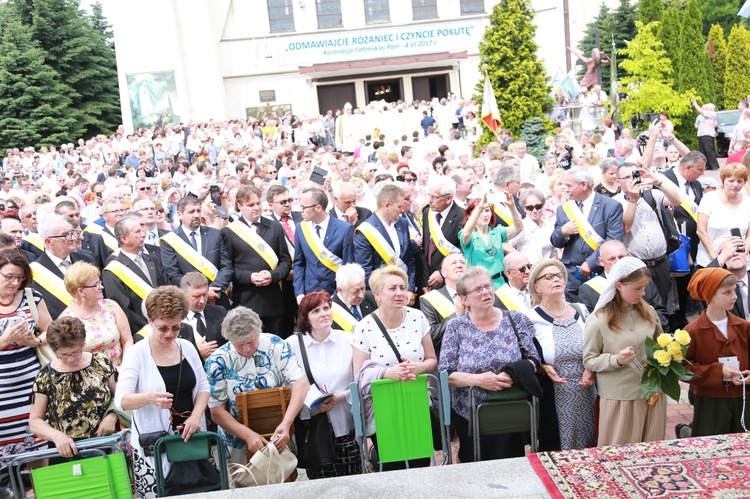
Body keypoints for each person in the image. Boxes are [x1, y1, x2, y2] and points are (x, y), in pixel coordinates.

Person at [114, 286, 210, 497]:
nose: (170, 334)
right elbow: (121, 400)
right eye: (163, 328)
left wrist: (196, 417)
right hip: (155, 447)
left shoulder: (187, 346)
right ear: (150, 320)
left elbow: (203, 387)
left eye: (176, 328)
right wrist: (148, 398)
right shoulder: (136, 353)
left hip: (192, 438)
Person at [439, 266, 540, 462]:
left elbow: (534, 359)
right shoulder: (456, 327)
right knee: (475, 468)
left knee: (511, 464)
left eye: (487, 286)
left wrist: (512, 374)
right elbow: (446, 374)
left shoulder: (515, 319)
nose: (485, 292)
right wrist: (479, 380)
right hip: (470, 415)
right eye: (477, 289)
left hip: (510, 409)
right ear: (464, 299)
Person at [352, 266, 437, 468]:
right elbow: (358, 375)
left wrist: (419, 367)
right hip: (384, 407)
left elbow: (432, 360)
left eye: (402, 287)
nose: (399, 293)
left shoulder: (418, 318)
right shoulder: (364, 327)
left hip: (416, 400)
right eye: (392, 288)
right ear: (378, 294)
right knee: (392, 466)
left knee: (421, 461)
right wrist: (386, 372)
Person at [205, 306, 309, 464]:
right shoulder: (217, 361)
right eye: (240, 345)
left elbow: (301, 384)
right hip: (236, 441)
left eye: (251, 342)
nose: (247, 349)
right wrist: (247, 435)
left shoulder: (276, 345)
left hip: (278, 431)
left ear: (258, 332)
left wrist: (287, 423)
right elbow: (217, 411)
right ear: (229, 339)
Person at [583, 257, 666, 446]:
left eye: (645, 287)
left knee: (652, 450)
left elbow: (661, 345)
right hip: (621, 398)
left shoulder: (649, 312)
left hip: (653, 393)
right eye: (637, 288)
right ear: (618, 285)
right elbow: (589, 360)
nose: (643, 293)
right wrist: (616, 360)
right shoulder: (598, 320)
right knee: (618, 452)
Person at [287, 291, 361, 479]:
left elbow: (360, 379)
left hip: (346, 425)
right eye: (316, 311)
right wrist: (309, 402)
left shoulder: (348, 340)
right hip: (313, 426)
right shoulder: (291, 345)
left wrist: (341, 396)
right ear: (305, 318)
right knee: (321, 483)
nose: (324, 314)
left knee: (353, 480)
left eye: (326, 308)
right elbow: (287, 384)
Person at [526, 260, 595, 451]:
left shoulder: (581, 310)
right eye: (548, 277)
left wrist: (591, 367)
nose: (556, 279)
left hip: (587, 390)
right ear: (537, 287)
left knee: (591, 445)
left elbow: (596, 344)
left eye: (559, 275)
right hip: (554, 394)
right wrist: (542, 366)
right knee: (556, 450)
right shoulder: (530, 318)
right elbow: (527, 355)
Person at [29, 316, 118, 457]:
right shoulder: (45, 375)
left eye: (75, 352)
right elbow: (34, 421)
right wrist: (57, 437)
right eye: (63, 355)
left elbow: (120, 397)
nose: (70, 359)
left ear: (83, 344)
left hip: (106, 444)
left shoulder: (101, 363)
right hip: (65, 451)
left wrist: (113, 415)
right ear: (54, 351)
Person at [0, 250, 53, 479]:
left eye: (19, 277)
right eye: (9, 276)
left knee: (38, 442)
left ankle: (41, 490)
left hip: (31, 382)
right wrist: (5, 339)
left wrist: (35, 341)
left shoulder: (32, 296)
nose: (14, 282)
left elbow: (50, 330)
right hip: (2, 390)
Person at [685, 267, 750, 436]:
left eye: (734, 290)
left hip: (744, 397)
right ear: (709, 295)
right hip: (710, 401)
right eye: (727, 292)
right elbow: (683, 369)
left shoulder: (744, 327)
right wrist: (717, 371)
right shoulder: (692, 332)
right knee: (710, 445)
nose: (734, 296)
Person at [221, 185, 291, 335]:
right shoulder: (230, 232)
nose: (256, 208)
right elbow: (227, 268)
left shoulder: (274, 227)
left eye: (258, 203)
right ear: (240, 206)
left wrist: (273, 275)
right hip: (246, 301)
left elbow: (285, 260)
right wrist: (249, 277)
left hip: (273, 300)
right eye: (251, 205)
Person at [550, 167, 624, 301]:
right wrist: (563, 232)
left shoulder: (610, 206)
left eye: (569, 185)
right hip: (573, 276)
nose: (565, 189)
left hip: (601, 272)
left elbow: (613, 240)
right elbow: (555, 241)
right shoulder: (564, 209)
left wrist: (591, 262)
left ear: (584, 185)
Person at [577, 240, 669, 331]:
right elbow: (590, 327)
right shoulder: (588, 289)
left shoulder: (644, 280)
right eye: (612, 259)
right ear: (601, 261)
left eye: (621, 257)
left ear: (627, 256)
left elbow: (660, 312)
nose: (617, 262)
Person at [102, 216, 169, 339]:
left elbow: (166, 289)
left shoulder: (153, 260)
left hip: (166, 326)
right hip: (142, 333)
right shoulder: (113, 270)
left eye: (142, 229)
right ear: (124, 238)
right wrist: (153, 327)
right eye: (138, 231)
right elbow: (124, 310)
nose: (144, 234)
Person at [161, 195, 233, 308]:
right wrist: (201, 293)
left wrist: (214, 289)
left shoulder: (215, 234)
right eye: (191, 212)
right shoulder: (170, 240)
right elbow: (173, 274)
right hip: (188, 302)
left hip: (217, 298)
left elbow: (226, 267)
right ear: (179, 215)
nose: (196, 215)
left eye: (198, 211)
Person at [59, 261, 132, 368]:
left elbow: (127, 340)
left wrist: (126, 369)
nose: (101, 287)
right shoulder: (66, 321)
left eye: (100, 282)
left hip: (121, 372)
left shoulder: (111, 306)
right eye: (96, 285)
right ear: (81, 291)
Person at [354, 183, 417, 302]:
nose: (401, 211)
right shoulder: (366, 230)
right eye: (399, 207)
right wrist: (391, 291)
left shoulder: (402, 223)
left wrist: (410, 289)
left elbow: (409, 259)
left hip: (405, 292)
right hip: (382, 296)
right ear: (387, 205)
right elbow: (366, 271)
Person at [293, 187, 355, 301]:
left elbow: (348, 266)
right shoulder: (301, 228)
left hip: (335, 294)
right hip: (309, 294)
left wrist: (338, 296)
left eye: (303, 207)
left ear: (318, 208)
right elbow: (299, 263)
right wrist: (299, 292)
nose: (300, 210)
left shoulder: (345, 229)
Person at [30, 214, 95, 320]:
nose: (73, 238)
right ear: (48, 242)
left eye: (72, 233)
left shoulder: (87, 258)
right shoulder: (35, 272)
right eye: (66, 235)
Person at [459, 194, 522, 290]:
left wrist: (512, 206)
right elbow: (465, 234)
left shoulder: (497, 232)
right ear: (469, 215)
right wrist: (480, 206)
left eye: (487, 210)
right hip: (478, 285)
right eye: (480, 211)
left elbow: (519, 228)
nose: (485, 215)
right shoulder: (469, 235)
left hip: (499, 283)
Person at [696, 163, 750, 269]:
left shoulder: (747, 202)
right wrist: (716, 257)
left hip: (739, 263)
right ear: (723, 180)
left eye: (739, 181)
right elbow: (701, 230)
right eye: (731, 180)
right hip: (711, 260)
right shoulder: (709, 199)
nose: (735, 184)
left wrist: (744, 253)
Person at [421, 177, 465, 291]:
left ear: (448, 199)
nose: (430, 200)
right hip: (430, 281)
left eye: (434, 197)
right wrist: (425, 280)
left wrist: (442, 272)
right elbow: (426, 248)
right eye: (428, 195)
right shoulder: (428, 213)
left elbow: (464, 252)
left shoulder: (463, 217)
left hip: (451, 282)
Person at [420, 253, 466, 359]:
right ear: (443, 273)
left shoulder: (478, 294)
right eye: (453, 263)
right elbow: (431, 337)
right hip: (448, 359)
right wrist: (456, 315)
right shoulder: (430, 299)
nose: (459, 265)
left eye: (462, 262)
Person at [180, 272, 227, 361]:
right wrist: (196, 352)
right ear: (183, 295)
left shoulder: (220, 312)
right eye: (197, 296)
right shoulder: (175, 319)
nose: (202, 301)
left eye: (205, 295)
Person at [508, 188, 555, 265]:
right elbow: (506, 245)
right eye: (530, 207)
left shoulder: (549, 225)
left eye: (538, 206)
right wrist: (520, 257)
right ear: (524, 209)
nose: (534, 210)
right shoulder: (521, 226)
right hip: (529, 271)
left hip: (548, 270)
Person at [330, 263, 376, 333]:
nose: (361, 295)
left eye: (362, 288)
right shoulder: (330, 311)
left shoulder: (373, 298)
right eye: (355, 291)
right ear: (340, 290)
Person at [691, 99, 720, 171]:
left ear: (712, 109)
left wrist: (695, 104)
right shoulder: (704, 116)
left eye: (708, 108)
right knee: (703, 150)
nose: (706, 109)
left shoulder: (712, 114)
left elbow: (701, 111)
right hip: (702, 134)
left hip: (708, 134)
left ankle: (714, 165)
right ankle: (707, 165)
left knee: (709, 150)